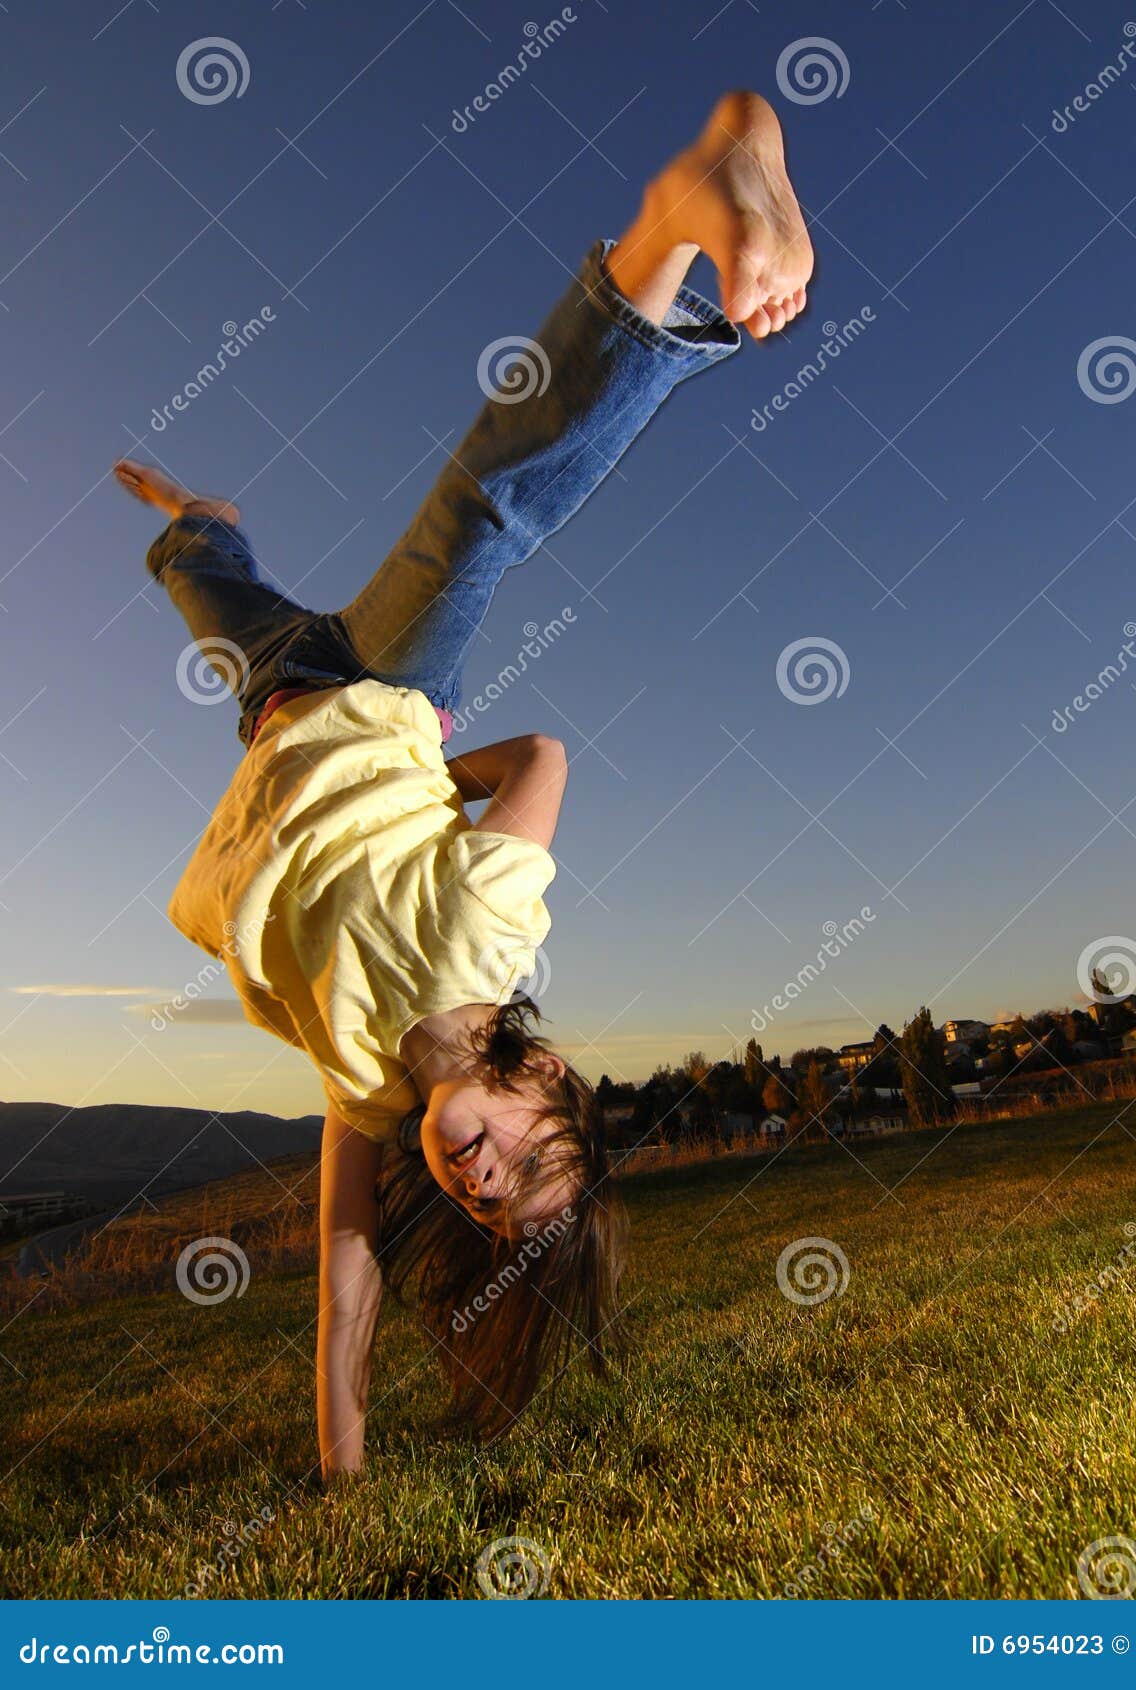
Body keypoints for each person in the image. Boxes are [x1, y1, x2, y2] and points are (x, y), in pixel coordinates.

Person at [113, 90, 814, 1475]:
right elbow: (546, 759)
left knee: (201, 581)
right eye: (529, 1162)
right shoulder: (484, 951)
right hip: (381, 684)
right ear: (542, 1078)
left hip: (276, 700)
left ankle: (207, 520)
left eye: (491, 1207)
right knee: (490, 503)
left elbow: (345, 1267)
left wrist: (343, 1451)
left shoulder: (369, 1085)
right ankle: (685, 213)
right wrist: (438, 752)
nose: (483, 1181)